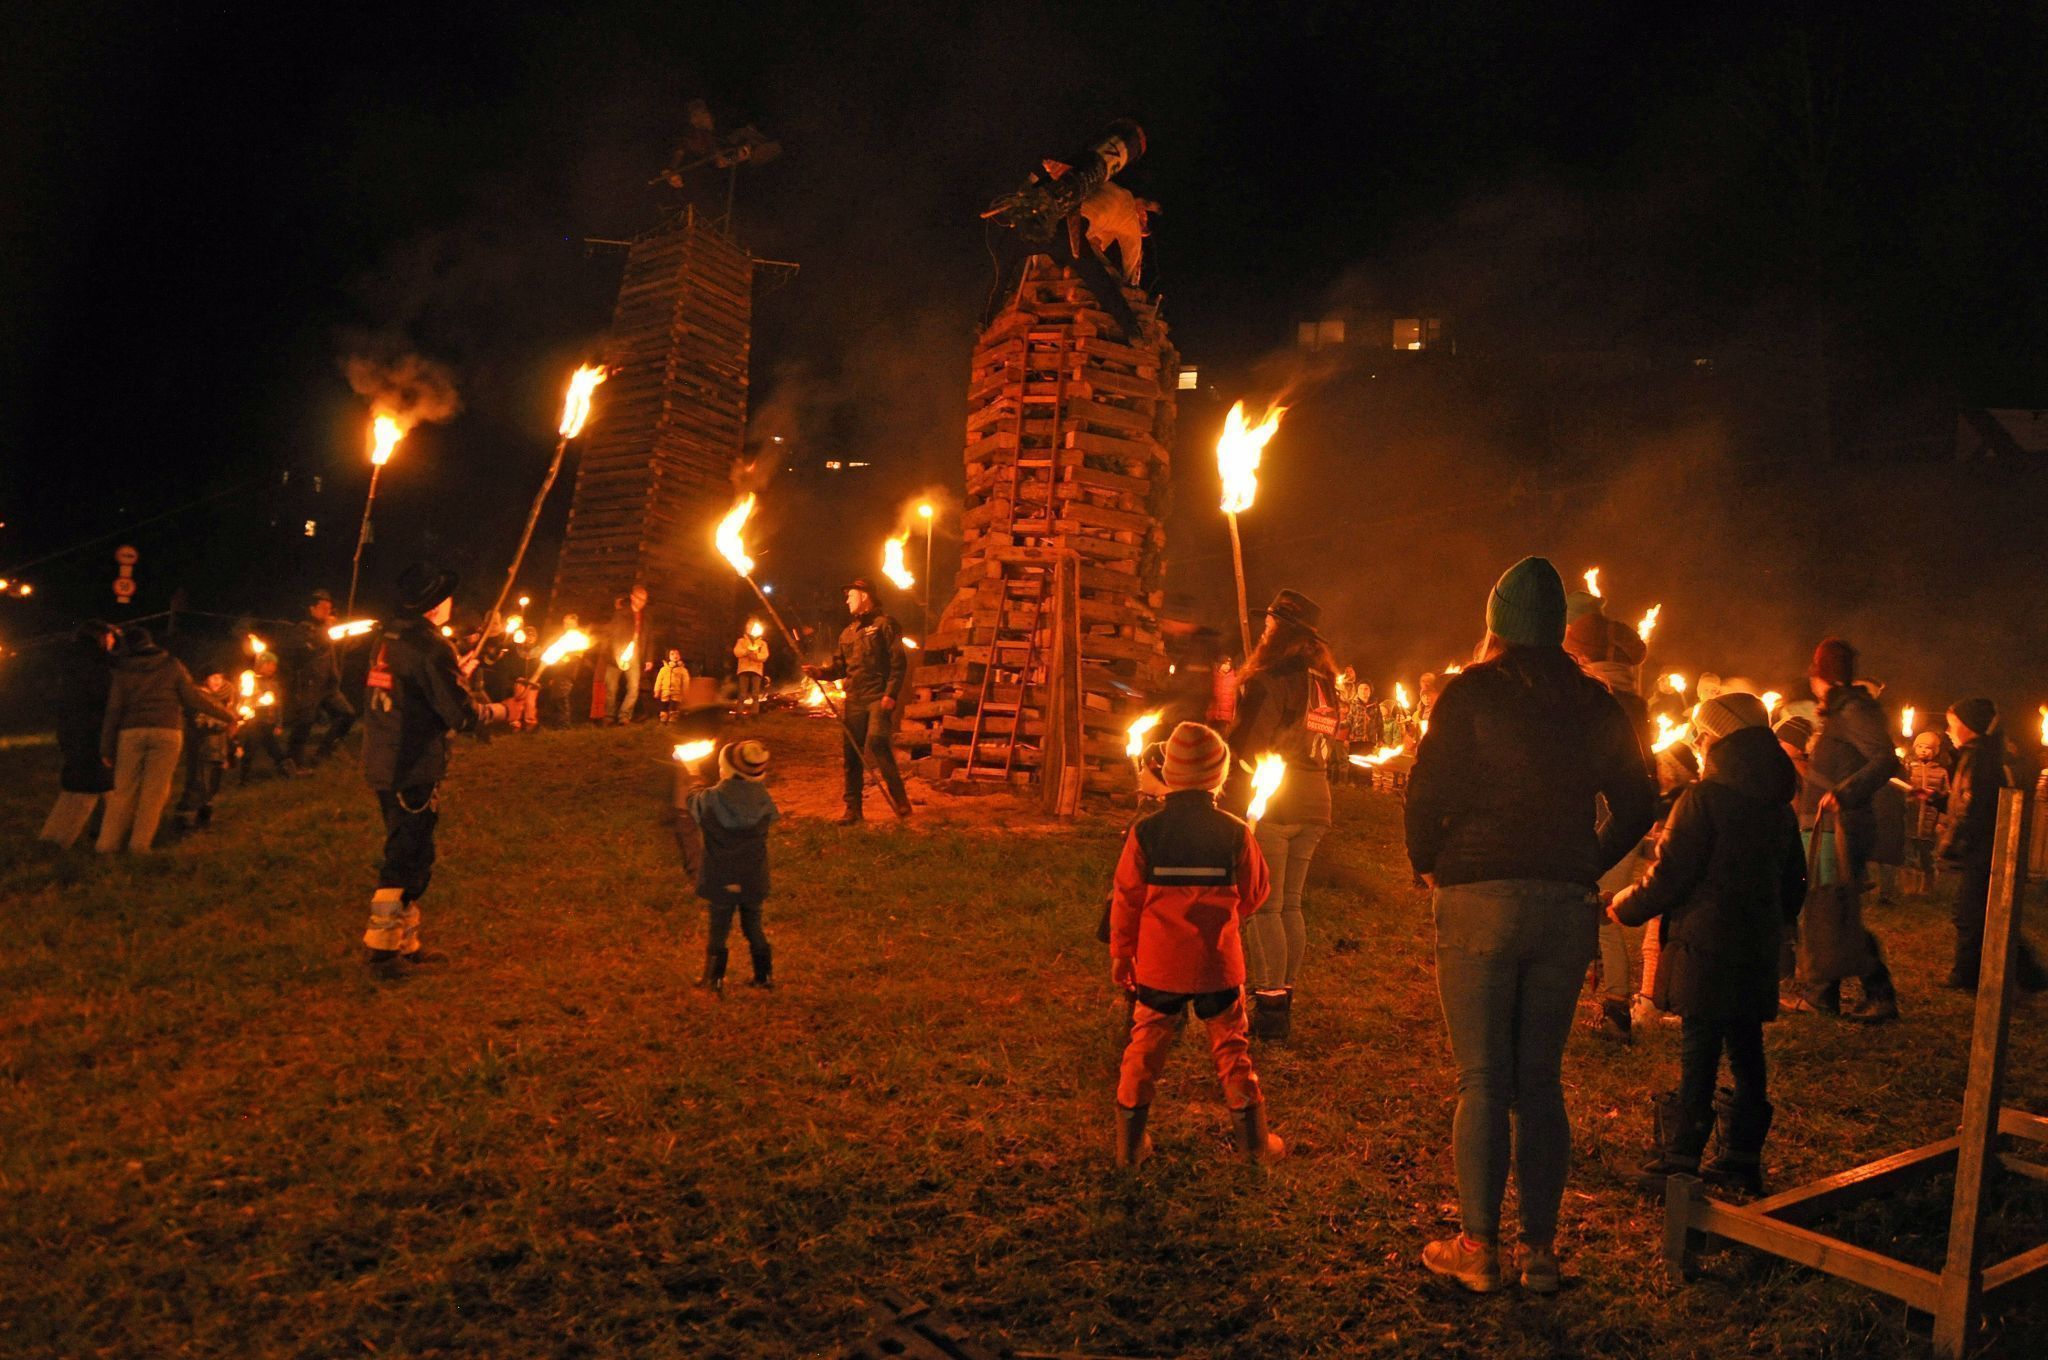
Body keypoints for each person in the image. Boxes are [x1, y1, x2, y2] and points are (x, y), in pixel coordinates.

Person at [1404, 556, 1656, 1294]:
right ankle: (1540, 1254)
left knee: (1482, 1078)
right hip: (1562, 905)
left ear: (1498, 626)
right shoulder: (1597, 704)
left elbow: (1426, 789)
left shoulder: (1469, 692)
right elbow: (1640, 804)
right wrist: (1587, 862)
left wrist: (1428, 861)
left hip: (1478, 894)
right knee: (1540, 1080)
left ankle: (1480, 1251)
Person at [1613, 693, 1807, 1198]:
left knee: (1699, 1049)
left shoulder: (1703, 798)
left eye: (1702, 734)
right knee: (1746, 1046)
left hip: (1706, 944)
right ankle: (1741, 1158)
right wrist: (1774, 926)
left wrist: (1626, 905)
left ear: (1719, 738)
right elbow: (1794, 882)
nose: (1697, 743)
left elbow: (1673, 873)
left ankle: (1679, 1159)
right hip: (1755, 945)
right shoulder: (1779, 807)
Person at [1108, 721, 1281, 1168]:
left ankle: (1129, 1147)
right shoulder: (1235, 831)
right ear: (1218, 777)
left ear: (1169, 773)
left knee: (1144, 1046)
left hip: (1158, 966)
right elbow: (1256, 891)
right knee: (1231, 1049)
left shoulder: (1145, 832)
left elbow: (1126, 898)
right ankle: (1255, 1145)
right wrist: (1228, 913)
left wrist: (1121, 953)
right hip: (1216, 965)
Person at [359, 563, 507, 971]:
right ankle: (383, 950)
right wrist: (499, 710)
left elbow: (419, 686)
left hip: (383, 757)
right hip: (410, 762)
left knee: (414, 852)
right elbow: (457, 713)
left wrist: (457, 672)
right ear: (435, 605)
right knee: (406, 856)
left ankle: (404, 942)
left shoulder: (389, 635)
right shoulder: (427, 646)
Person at [1224, 589, 1338, 1042]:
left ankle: (1270, 1008)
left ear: (1282, 632)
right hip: (1317, 799)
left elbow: (1249, 745)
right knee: (1290, 904)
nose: (1265, 630)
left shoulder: (1272, 678)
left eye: (1270, 625)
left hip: (1278, 802)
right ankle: (1283, 996)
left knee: (1265, 907)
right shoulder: (1323, 682)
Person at [1785, 639, 1901, 1023]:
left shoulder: (1854, 710)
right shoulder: (1840, 710)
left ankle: (1877, 993)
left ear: (1821, 676)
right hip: (1823, 825)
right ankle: (1823, 995)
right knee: (1823, 909)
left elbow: (1885, 759)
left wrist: (1844, 792)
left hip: (1839, 827)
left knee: (1833, 911)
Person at [1931, 699, 2048, 992]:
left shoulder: (1981, 759)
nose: (1948, 731)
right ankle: (2027, 974)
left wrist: (1955, 842)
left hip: (1983, 848)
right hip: (1980, 846)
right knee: (1981, 912)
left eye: (1952, 724)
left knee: (1973, 914)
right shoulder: (1973, 755)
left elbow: (1977, 808)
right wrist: (1937, 800)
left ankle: (1970, 976)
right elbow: (1964, 804)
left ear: (1968, 726)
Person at [97, 626, 235, 853]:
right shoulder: (172, 664)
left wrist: (106, 746)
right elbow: (194, 698)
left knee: (123, 790)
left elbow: (113, 710)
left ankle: (106, 845)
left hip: (131, 732)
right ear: (151, 643)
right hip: (166, 732)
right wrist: (228, 715)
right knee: (155, 791)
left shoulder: (122, 670)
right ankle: (139, 845)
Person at [806, 577, 913, 824]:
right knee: (852, 753)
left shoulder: (885, 625)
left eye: (850, 595)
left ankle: (900, 799)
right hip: (854, 700)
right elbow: (840, 668)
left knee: (877, 741)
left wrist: (891, 693)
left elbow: (899, 662)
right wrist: (820, 673)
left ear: (864, 595)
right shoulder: (847, 634)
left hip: (877, 697)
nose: (846, 600)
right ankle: (853, 810)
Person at [680, 738, 779, 992]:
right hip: (752, 877)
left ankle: (713, 979)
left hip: (721, 876)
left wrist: (694, 774)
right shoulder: (763, 800)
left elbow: (693, 801)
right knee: (753, 925)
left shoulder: (712, 799)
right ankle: (764, 976)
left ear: (725, 770)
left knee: (719, 927)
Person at [40, 620, 120, 846]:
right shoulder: (97, 666)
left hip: (72, 730)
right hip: (91, 733)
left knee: (83, 784)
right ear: (101, 638)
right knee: (89, 786)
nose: (113, 642)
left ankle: (55, 838)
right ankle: (61, 840)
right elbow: (105, 699)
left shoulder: (73, 661)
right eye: (111, 637)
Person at [281, 589, 355, 770]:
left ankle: (325, 751)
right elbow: (304, 650)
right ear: (312, 609)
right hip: (310, 684)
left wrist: (348, 638)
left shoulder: (329, 630)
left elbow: (341, 647)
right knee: (305, 723)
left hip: (329, 685)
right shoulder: (304, 629)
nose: (327, 612)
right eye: (323, 608)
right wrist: (327, 631)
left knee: (347, 715)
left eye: (329, 608)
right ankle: (293, 761)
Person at [172, 669, 237, 831]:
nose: (218, 681)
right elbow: (201, 722)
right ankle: (183, 821)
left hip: (217, 749)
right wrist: (226, 722)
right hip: (202, 748)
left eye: (221, 678)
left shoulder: (219, 700)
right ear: (205, 679)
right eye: (214, 677)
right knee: (197, 785)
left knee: (212, 787)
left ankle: (203, 820)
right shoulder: (198, 697)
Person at [602, 585, 650, 723]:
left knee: (634, 687)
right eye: (639, 599)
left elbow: (649, 637)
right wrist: (618, 656)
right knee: (611, 687)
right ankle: (609, 716)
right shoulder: (621, 614)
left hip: (634, 655)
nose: (641, 602)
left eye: (644, 600)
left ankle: (624, 716)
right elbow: (614, 636)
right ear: (632, 597)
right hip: (614, 656)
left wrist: (648, 658)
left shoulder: (646, 617)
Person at [733, 622, 770, 715]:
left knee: (755, 694)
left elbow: (765, 656)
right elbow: (737, 652)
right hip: (744, 669)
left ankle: (754, 714)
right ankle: (739, 714)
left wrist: (755, 657)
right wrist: (747, 652)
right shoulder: (741, 641)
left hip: (756, 670)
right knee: (742, 694)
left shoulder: (762, 644)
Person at [654, 649, 690, 723]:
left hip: (677, 692)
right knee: (664, 705)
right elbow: (659, 680)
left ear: (680, 656)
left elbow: (686, 682)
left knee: (674, 706)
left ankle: (673, 718)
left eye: (677, 653)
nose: (675, 656)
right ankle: (664, 717)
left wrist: (685, 692)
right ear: (668, 656)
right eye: (672, 654)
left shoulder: (682, 670)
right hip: (665, 691)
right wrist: (657, 690)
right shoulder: (664, 669)